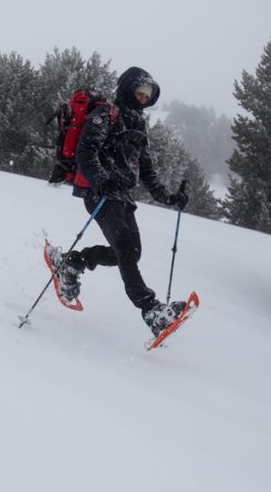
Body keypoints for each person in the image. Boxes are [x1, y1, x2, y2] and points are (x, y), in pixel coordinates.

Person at [47, 67, 190, 337]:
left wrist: (170, 198)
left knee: (130, 252)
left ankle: (72, 263)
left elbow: (146, 170)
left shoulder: (138, 123)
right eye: (140, 91)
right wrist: (102, 180)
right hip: (99, 193)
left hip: (123, 197)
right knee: (125, 249)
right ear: (127, 88)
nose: (144, 97)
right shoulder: (106, 114)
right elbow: (85, 152)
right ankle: (152, 311)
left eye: (149, 94)